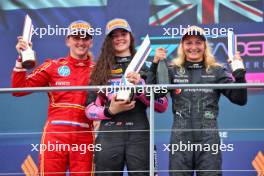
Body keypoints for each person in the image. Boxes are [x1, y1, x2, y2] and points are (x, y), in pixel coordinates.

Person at [149, 26, 247, 176]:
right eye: (189, 43)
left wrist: (239, 75)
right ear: (182, 46)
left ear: (205, 46)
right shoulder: (173, 70)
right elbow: (154, 95)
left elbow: (240, 100)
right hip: (180, 137)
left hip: (208, 138)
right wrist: (155, 64)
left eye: (198, 42)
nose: (193, 47)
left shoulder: (216, 70)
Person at [85, 18, 168, 176]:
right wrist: (110, 110)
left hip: (140, 135)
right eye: (114, 36)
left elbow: (162, 105)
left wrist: (141, 88)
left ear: (130, 36)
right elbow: (89, 110)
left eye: (123, 33)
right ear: (108, 41)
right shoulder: (99, 69)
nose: (119, 38)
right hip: (109, 135)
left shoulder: (147, 66)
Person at [12, 20, 95, 176]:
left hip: (84, 136)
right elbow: (19, 90)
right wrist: (21, 59)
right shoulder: (53, 66)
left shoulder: (98, 70)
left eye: (85, 38)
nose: (81, 42)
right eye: (76, 37)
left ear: (91, 42)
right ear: (68, 40)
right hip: (55, 135)